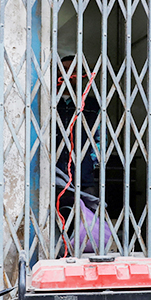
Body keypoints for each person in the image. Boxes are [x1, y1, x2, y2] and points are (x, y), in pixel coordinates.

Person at [56, 55, 101, 197]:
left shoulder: (92, 106)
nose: (68, 74)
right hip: (51, 176)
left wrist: (89, 164)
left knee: (87, 216)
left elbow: (101, 139)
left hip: (83, 179)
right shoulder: (47, 103)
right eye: (63, 70)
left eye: (73, 70)